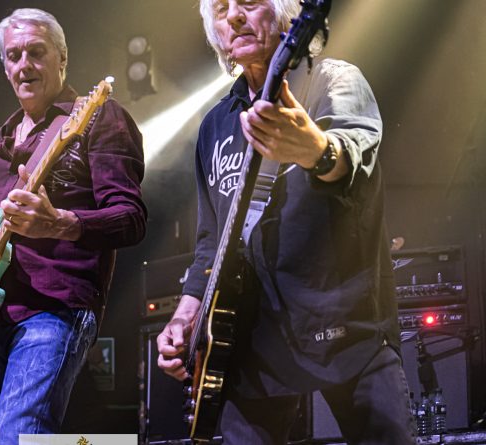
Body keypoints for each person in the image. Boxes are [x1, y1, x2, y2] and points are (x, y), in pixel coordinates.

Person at [157, 0, 415, 443]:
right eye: (221, 9)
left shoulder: (333, 80)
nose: (234, 16)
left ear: (286, 15)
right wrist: (184, 317)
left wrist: (315, 150)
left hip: (344, 322)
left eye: (249, 2)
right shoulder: (215, 124)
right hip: (253, 342)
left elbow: (351, 154)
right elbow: (210, 243)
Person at [0, 8, 146, 444]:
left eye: (36, 52)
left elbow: (131, 218)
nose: (24, 64)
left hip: (53, 310)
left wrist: (60, 223)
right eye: (13, 55)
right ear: (4, 66)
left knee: (19, 437)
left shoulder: (98, 117)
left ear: (62, 58)